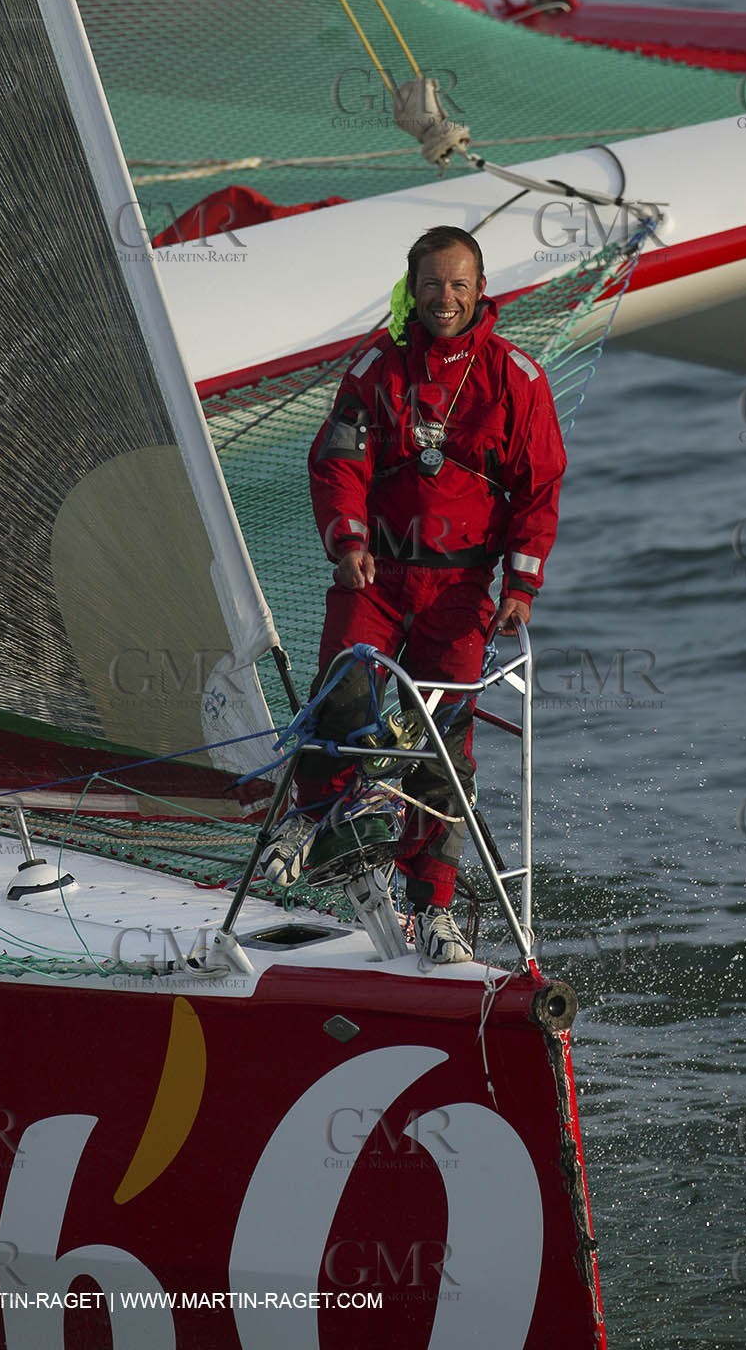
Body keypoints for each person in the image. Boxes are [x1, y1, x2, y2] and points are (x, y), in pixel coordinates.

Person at [260, 225, 567, 964]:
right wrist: (348, 543)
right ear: (413, 288)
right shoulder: (376, 369)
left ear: (481, 288)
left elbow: (539, 490)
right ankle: (318, 818)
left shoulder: (516, 379)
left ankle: (433, 908)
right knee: (342, 682)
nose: (445, 298)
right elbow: (336, 462)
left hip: (462, 590)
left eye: (459, 284)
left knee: (444, 748)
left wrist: (521, 587)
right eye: (432, 284)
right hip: (378, 576)